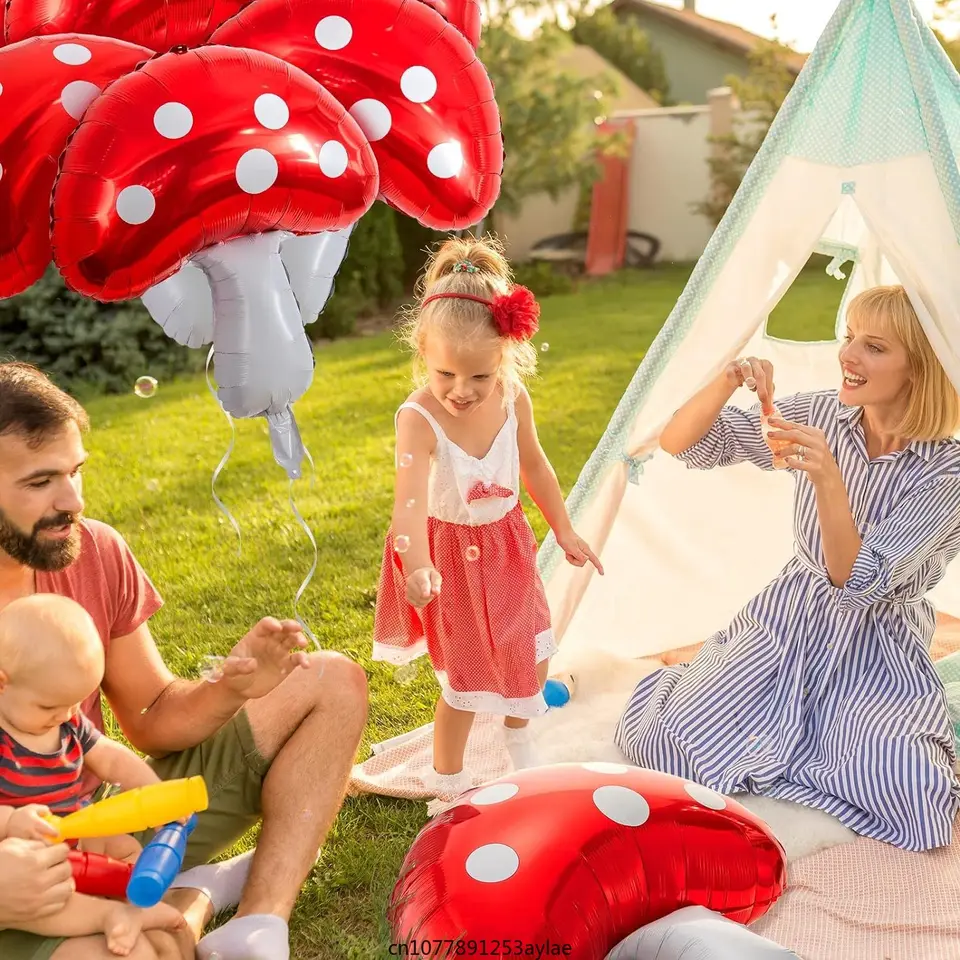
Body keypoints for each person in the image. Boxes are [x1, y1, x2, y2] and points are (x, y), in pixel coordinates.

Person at [0, 361, 369, 960]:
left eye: (76, 472)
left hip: (104, 829)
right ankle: (190, 900)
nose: (73, 500)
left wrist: (233, 688)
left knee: (331, 681)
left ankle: (259, 921)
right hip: (24, 879)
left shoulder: (93, 551)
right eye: (41, 482)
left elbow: (150, 717)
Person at [615, 284, 960, 852]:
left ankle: (834, 740)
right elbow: (684, 442)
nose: (848, 354)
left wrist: (828, 479)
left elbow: (857, 580)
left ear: (920, 369)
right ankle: (702, 691)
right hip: (789, 618)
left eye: (874, 346)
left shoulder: (946, 473)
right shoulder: (823, 411)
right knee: (673, 739)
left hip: (876, 641)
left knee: (915, 794)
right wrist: (730, 379)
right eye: (849, 337)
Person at [371, 235, 603, 801]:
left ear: (504, 359)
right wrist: (418, 565)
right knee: (466, 679)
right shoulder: (418, 418)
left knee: (531, 652)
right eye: (446, 374)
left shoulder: (512, 396)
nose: (462, 390)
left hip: (506, 546)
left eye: (480, 376)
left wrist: (564, 529)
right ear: (423, 352)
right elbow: (408, 504)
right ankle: (447, 783)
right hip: (448, 557)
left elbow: (536, 467)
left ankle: (522, 750)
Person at [0, 594, 186, 954]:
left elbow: (113, 760)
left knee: (123, 846)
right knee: (43, 896)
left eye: (74, 703)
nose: (65, 714)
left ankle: (136, 904)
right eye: (49, 706)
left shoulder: (66, 721)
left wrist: (159, 795)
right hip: (29, 857)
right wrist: (11, 822)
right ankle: (106, 916)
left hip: (78, 830)